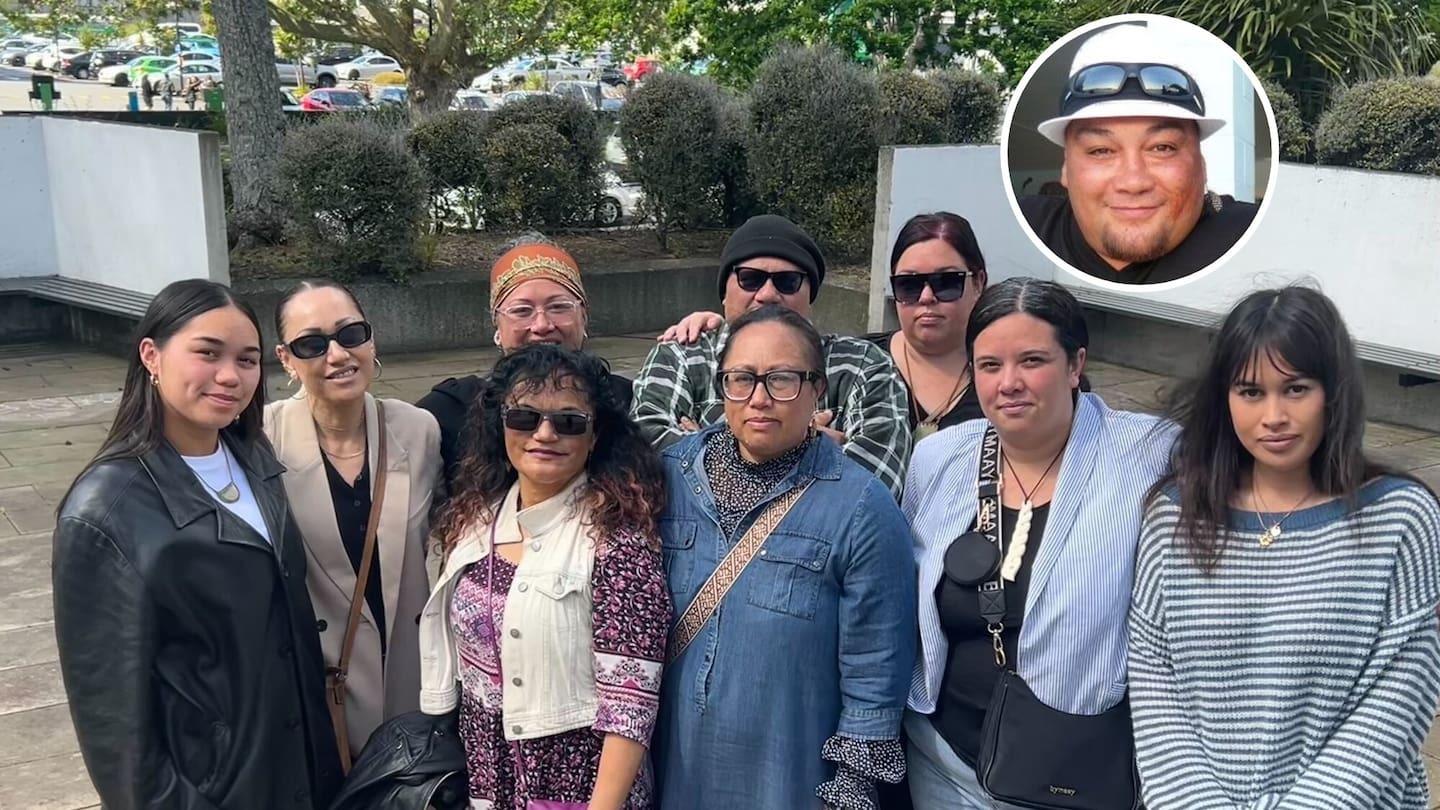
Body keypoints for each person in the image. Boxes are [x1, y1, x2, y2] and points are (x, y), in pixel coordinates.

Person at [1130, 286, 1440, 808]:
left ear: (1333, 393)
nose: (1273, 415)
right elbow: (1155, 680)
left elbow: (1400, 695)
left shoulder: (1399, 518)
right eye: (1250, 392)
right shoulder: (1177, 515)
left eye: (1295, 389)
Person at [51, 279, 342, 809]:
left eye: (248, 360)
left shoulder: (255, 460)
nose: (230, 376)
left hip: (303, 775)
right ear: (151, 355)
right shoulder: (104, 512)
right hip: (216, 793)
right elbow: (116, 736)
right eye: (207, 353)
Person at [902, 278, 1173, 808]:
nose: (1009, 383)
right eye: (989, 365)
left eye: (1032, 361)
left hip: (1076, 767)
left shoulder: (1147, 453)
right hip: (944, 763)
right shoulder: (939, 460)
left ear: (1075, 366)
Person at [653, 304, 917, 809]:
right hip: (672, 770)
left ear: (818, 389)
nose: (759, 399)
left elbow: (876, 674)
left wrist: (851, 790)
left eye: (782, 380)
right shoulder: (668, 479)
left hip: (787, 778)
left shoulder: (862, 508)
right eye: (742, 379)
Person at [419, 345, 672, 809]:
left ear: (595, 437)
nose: (545, 433)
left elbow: (631, 706)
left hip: (578, 787)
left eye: (570, 422)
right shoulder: (476, 519)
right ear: (502, 424)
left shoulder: (616, 539)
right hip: (488, 780)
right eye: (525, 418)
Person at [265, 280, 444, 762]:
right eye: (312, 343)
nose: (337, 354)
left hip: (408, 682)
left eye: (350, 334)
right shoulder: (261, 439)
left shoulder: (418, 429)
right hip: (317, 690)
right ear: (286, 359)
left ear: (371, 340)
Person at [631, 214, 912, 496]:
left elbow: (873, 487)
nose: (767, 294)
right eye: (750, 279)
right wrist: (808, 448)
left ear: (810, 295)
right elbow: (645, 461)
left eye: (787, 282)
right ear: (724, 293)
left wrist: (700, 446)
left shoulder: (862, 366)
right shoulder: (681, 355)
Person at [663, 212, 987, 443]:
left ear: (979, 282)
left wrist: (700, 444)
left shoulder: (860, 368)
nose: (927, 297)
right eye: (909, 284)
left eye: (946, 282)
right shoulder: (863, 358)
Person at [1020, 23, 1260, 284]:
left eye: (1162, 148)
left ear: (1201, 166)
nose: (1133, 182)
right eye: (1101, 151)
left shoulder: (1251, 234)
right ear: (1066, 168)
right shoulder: (1025, 225)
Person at [417, 238, 633, 490]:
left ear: (583, 316)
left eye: (558, 307)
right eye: (521, 310)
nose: (542, 325)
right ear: (497, 325)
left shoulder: (631, 402)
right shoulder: (447, 411)